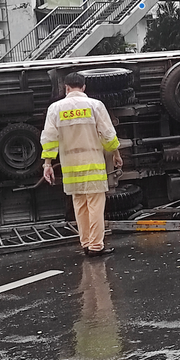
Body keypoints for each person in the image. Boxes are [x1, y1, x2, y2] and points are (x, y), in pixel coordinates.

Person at [41, 72, 123, 257]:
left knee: (80, 205)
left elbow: (49, 139)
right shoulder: (95, 105)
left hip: (70, 167)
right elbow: (108, 134)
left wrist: (47, 164)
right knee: (95, 205)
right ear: (84, 87)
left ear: (66, 88)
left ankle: (86, 243)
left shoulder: (55, 109)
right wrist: (116, 154)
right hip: (92, 164)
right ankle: (96, 246)